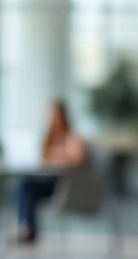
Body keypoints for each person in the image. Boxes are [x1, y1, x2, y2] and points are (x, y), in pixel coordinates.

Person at [16, 99, 86, 244]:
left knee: (27, 188)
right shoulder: (47, 138)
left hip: (64, 185)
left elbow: (78, 159)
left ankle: (28, 230)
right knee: (24, 186)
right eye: (49, 115)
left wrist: (59, 154)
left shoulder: (71, 136)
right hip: (47, 178)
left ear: (62, 115)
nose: (51, 118)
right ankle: (26, 228)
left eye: (54, 114)